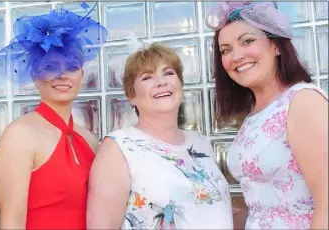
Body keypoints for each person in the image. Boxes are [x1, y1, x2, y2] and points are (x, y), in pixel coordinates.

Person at [206, 1, 328, 229]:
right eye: (226, 50)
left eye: (248, 41)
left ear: (276, 46)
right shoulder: (254, 116)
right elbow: (262, 209)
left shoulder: (302, 102)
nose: (237, 56)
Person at [86, 43, 233, 229]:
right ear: (131, 95)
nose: (161, 81)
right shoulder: (119, 147)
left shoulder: (200, 143)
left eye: (169, 73)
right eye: (147, 77)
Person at [0, 3, 107, 229]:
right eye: (51, 66)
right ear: (35, 76)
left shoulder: (90, 140)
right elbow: (11, 223)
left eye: (72, 66)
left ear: (81, 74)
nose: (62, 75)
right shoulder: (20, 136)